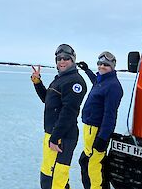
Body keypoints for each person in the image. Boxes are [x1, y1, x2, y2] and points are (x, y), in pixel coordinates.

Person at [31, 44, 87, 189]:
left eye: (66, 58)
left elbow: (69, 113)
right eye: (59, 58)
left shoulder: (74, 81)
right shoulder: (61, 79)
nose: (62, 61)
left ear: (73, 60)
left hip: (62, 137)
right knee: (51, 175)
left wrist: (55, 137)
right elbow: (48, 100)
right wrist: (37, 83)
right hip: (53, 134)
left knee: (55, 179)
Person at [77, 51, 123, 189]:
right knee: (87, 161)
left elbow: (110, 115)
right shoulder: (102, 80)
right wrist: (86, 70)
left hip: (97, 130)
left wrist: (103, 138)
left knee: (91, 164)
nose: (102, 66)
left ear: (113, 67)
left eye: (106, 65)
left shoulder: (113, 86)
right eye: (100, 64)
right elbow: (95, 80)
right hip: (89, 129)